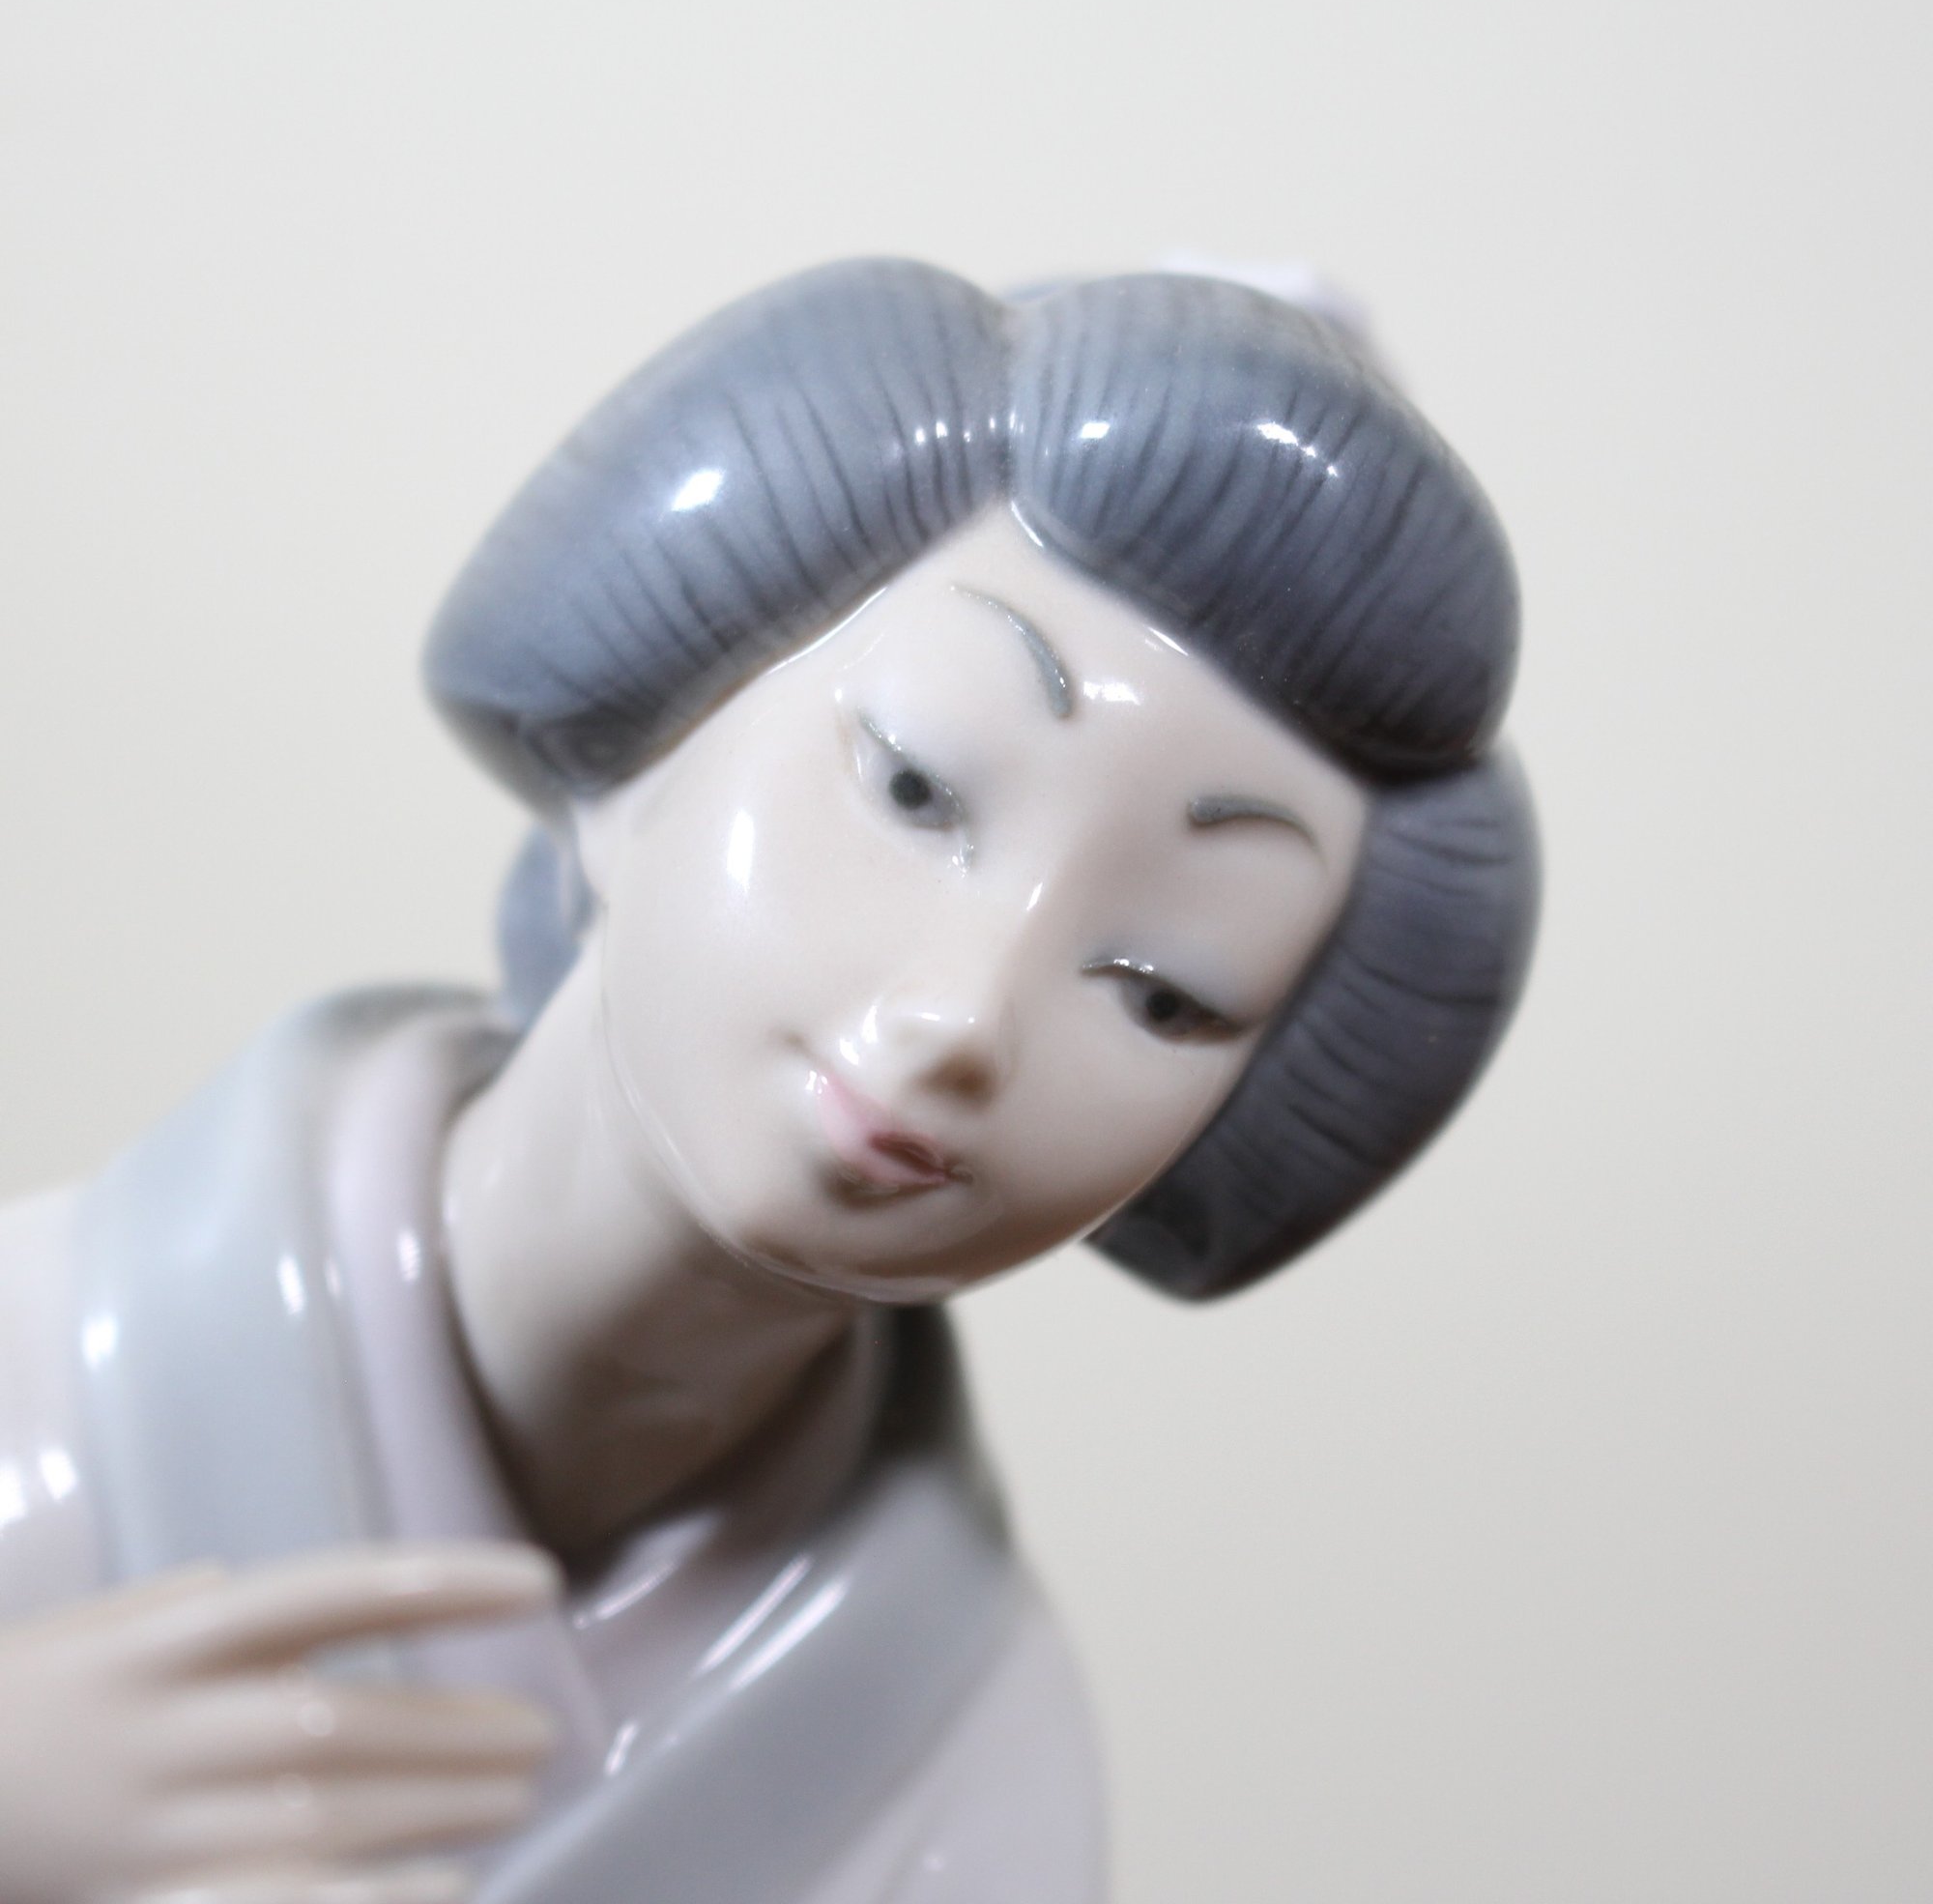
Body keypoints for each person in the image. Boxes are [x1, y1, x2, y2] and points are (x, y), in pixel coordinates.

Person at [0, 260, 1537, 1903]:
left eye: (1166, 993)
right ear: (642, 744)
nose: (964, 1016)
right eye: (915, 790)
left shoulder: (970, 1765)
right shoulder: (41, 1367)